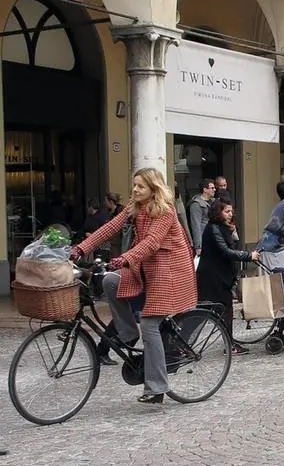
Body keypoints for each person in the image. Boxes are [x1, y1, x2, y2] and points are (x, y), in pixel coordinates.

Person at [70, 168, 197, 403]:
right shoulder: (134, 207)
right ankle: (127, 332)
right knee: (110, 280)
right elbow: (109, 228)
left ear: (153, 189)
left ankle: (156, 388)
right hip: (144, 265)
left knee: (150, 325)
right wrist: (81, 248)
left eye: (140, 186)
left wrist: (125, 258)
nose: (135, 190)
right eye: (134, 185)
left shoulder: (165, 211)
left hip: (169, 270)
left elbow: (151, 243)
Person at [196, 200, 259, 356]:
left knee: (224, 311)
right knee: (209, 312)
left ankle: (228, 342)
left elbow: (232, 244)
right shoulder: (213, 228)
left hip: (218, 276)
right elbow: (225, 251)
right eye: (226, 211)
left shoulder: (222, 228)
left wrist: (232, 230)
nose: (230, 214)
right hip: (212, 277)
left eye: (231, 211)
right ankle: (182, 343)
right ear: (218, 212)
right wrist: (248, 255)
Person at [189, 179, 215, 255]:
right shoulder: (196, 204)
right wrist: (198, 246)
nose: (214, 190)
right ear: (205, 189)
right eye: (212, 188)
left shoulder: (214, 202)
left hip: (214, 237)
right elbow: (196, 225)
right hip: (204, 239)